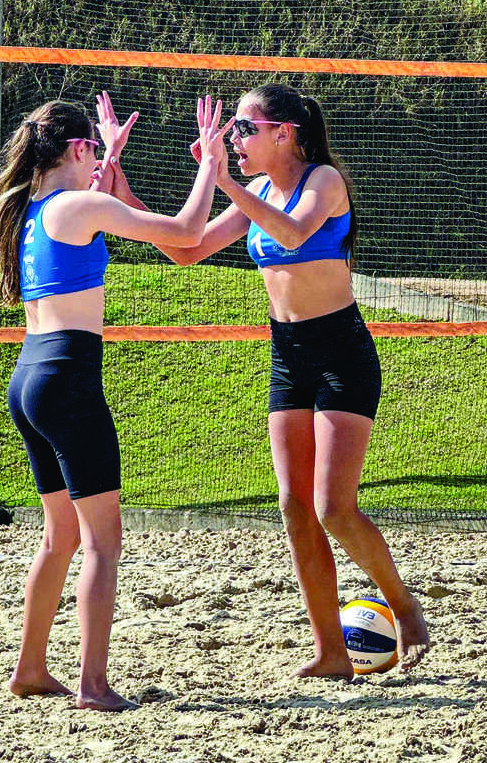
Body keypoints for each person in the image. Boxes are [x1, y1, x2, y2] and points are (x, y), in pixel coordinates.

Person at [155, 83, 430, 677]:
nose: (234, 139)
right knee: (294, 506)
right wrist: (119, 187)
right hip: (288, 354)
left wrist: (223, 179)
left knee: (334, 506)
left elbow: (292, 234)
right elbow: (186, 250)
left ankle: (404, 608)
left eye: (244, 129)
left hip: (340, 351)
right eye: (232, 130)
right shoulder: (256, 188)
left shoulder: (324, 181)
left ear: (284, 133)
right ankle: (331, 651)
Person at [0, 92, 233, 711]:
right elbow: (185, 233)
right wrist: (211, 167)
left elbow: (100, 200)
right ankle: (93, 685)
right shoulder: (79, 205)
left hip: (30, 376)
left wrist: (110, 156)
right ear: (77, 149)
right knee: (102, 541)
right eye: (92, 146)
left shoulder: (31, 208)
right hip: (68, 378)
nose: (98, 155)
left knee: (59, 538)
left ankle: (31, 669)